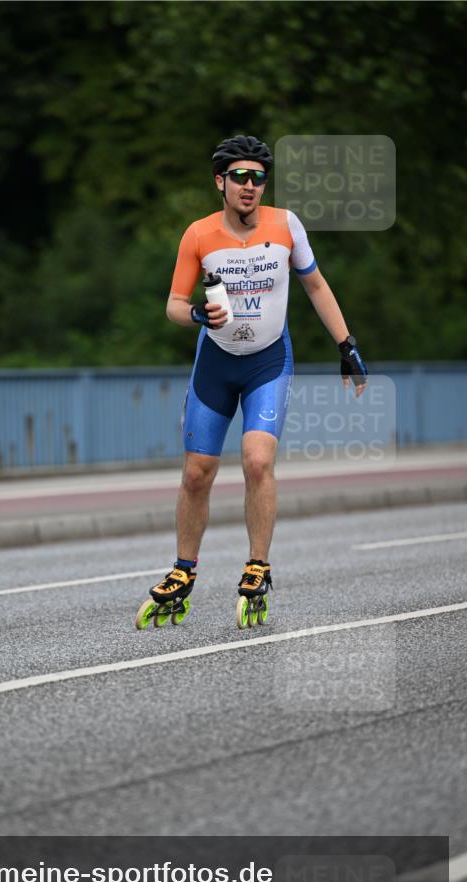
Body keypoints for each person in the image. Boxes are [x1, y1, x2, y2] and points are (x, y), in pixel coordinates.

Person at [147, 133, 368, 619]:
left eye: (259, 178)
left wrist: (346, 345)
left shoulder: (286, 226)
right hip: (217, 361)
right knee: (196, 473)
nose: (250, 186)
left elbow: (314, 284)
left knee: (256, 461)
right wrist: (199, 317)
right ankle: (185, 566)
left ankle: (257, 565)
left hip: (268, 360)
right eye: (240, 177)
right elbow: (174, 307)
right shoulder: (199, 235)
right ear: (220, 183)